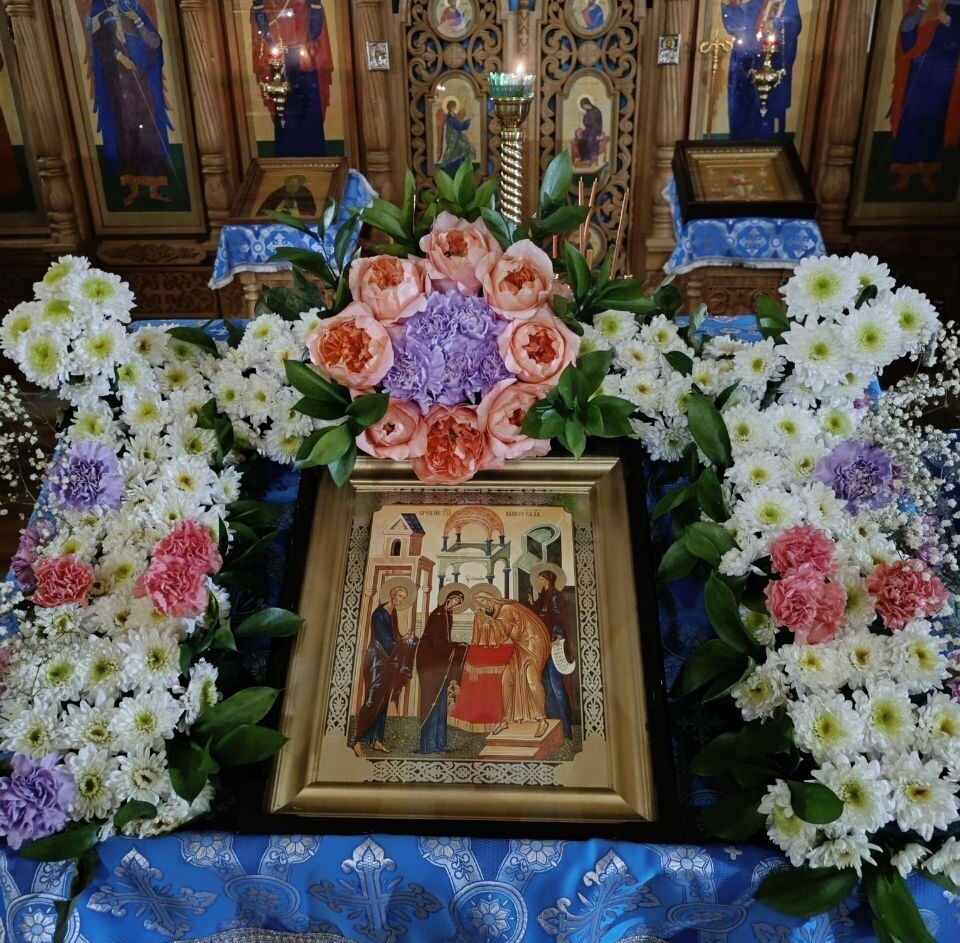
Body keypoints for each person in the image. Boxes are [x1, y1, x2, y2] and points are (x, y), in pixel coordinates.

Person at [86, 0, 172, 206]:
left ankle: (153, 187)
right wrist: (118, 56)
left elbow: (155, 44)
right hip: (121, 87)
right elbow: (99, 43)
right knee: (127, 133)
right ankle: (133, 188)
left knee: (149, 132)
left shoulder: (133, 8)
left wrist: (138, 22)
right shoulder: (102, 8)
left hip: (141, 81)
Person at [890, 0, 960, 195]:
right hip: (919, 75)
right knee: (910, 123)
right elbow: (907, 31)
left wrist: (948, 21)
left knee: (934, 124)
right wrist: (924, 9)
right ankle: (904, 174)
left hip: (944, 76)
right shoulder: (922, 4)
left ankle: (927, 174)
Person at [252, 0, 333, 156]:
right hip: (280, 62)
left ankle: (315, 160)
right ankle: (287, 159)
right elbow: (262, 29)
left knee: (310, 115)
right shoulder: (265, 3)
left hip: (306, 62)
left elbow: (315, 28)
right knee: (285, 118)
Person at [472, 591, 551, 738]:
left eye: (482, 604)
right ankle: (505, 719)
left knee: (531, 679)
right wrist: (485, 621)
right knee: (506, 679)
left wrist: (485, 621)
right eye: (479, 606)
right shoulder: (500, 611)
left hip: (532, 645)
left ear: (490, 599)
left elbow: (501, 635)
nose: (482, 608)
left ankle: (542, 720)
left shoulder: (506, 609)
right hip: (519, 647)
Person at [721, 0, 802, 139]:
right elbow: (733, 26)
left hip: (770, 65)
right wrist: (731, 5)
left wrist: (773, 25)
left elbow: (793, 24)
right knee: (740, 116)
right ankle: (739, 148)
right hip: (742, 64)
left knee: (765, 120)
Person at [353, 585, 417, 757]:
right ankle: (357, 741)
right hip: (376, 658)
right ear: (392, 594)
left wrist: (404, 637)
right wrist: (401, 644)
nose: (400, 599)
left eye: (403, 597)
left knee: (383, 700)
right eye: (399, 595)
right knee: (372, 699)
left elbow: (394, 635)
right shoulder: (379, 613)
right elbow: (385, 639)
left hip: (389, 660)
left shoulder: (392, 612)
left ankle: (376, 740)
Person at [416, 590, 469, 754]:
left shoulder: (447, 615)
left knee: (441, 702)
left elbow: (443, 642)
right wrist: (456, 647)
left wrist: (456, 646)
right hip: (430, 663)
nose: (455, 605)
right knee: (431, 701)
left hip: (440, 663)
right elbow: (436, 642)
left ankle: (440, 744)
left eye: (458, 603)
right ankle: (428, 745)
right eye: (455, 601)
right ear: (449, 598)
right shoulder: (437, 615)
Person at [529, 571, 573, 740]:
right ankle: (553, 727)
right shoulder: (543, 596)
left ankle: (566, 730)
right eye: (539, 579)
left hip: (553, 643)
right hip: (544, 643)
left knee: (556, 685)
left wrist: (556, 638)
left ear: (548, 580)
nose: (539, 581)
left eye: (541, 579)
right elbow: (540, 615)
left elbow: (558, 618)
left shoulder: (554, 596)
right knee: (545, 685)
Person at [436, 99, 475, 177]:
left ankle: (459, 163)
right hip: (452, 137)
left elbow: (458, 124)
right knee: (451, 149)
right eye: (452, 107)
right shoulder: (449, 117)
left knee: (464, 145)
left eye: (454, 107)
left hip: (457, 135)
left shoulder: (454, 115)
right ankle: (444, 164)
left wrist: (466, 122)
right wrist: (467, 122)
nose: (453, 108)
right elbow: (458, 126)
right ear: (449, 107)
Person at [571, 97, 603, 166]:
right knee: (581, 139)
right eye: (583, 107)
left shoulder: (596, 111)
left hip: (595, 130)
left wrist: (598, 133)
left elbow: (595, 122)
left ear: (587, 104)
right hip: (588, 130)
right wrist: (585, 116)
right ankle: (584, 158)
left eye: (584, 106)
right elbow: (586, 123)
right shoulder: (588, 111)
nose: (584, 108)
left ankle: (590, 158)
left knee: (590, 140)